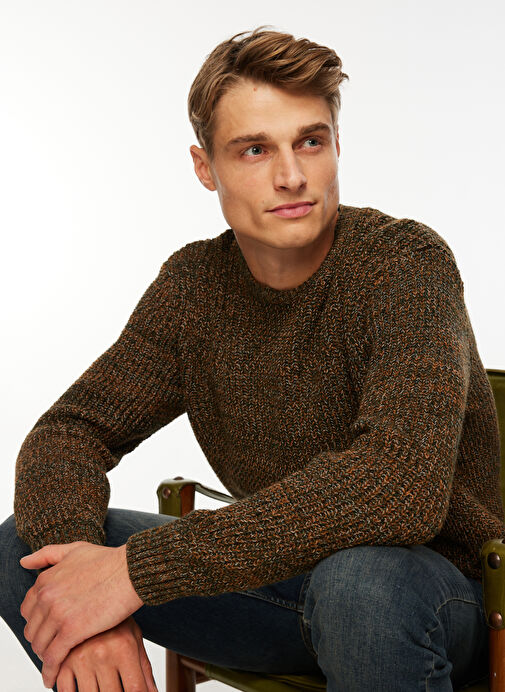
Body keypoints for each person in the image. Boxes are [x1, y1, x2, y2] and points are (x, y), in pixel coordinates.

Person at [0, 24, 502, 692]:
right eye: (255, 149)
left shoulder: (404, 265)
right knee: (27, 552)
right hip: (285, 591)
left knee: (360, 586)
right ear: (204, 167)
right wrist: (88, 604)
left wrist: (132, 574)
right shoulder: (193, 288)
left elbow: (396, 488)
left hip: (436, 596)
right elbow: (70, 433)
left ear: (337, 145)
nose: (291, 175)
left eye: (310, 141)